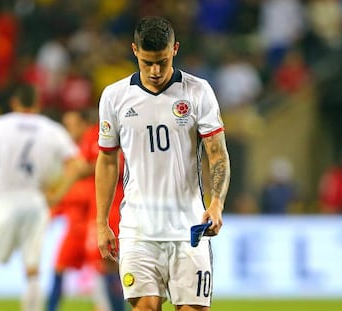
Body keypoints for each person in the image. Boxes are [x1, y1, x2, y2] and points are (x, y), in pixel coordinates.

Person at [95, 16, 231, 311]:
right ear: (134, 51)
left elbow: (217, 154)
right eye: (147, 63)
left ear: (175, 50)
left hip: (189, 230)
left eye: (162, 61)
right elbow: (107, 159)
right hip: (138, 230)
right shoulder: (114, 97)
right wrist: (102, 221)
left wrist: (217, 203)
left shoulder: (198, 91)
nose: (155, 71)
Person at [0, 83, 84, 311]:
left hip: (4, 201)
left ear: (14, 103)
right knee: (32, 269)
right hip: (36, 202)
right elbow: (77, 165)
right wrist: (57, 195)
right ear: (38, 103)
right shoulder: (51, 129)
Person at [46, 109, 124, 311]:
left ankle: (111, 307)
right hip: (82, 220)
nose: (69, 130)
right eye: (66, 126)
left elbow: (104, 166)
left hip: (104, 214)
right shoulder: (78, 149)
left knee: (106, 263)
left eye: (72, 125)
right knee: (75, 266)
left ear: (83, 123)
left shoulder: (96, 137)